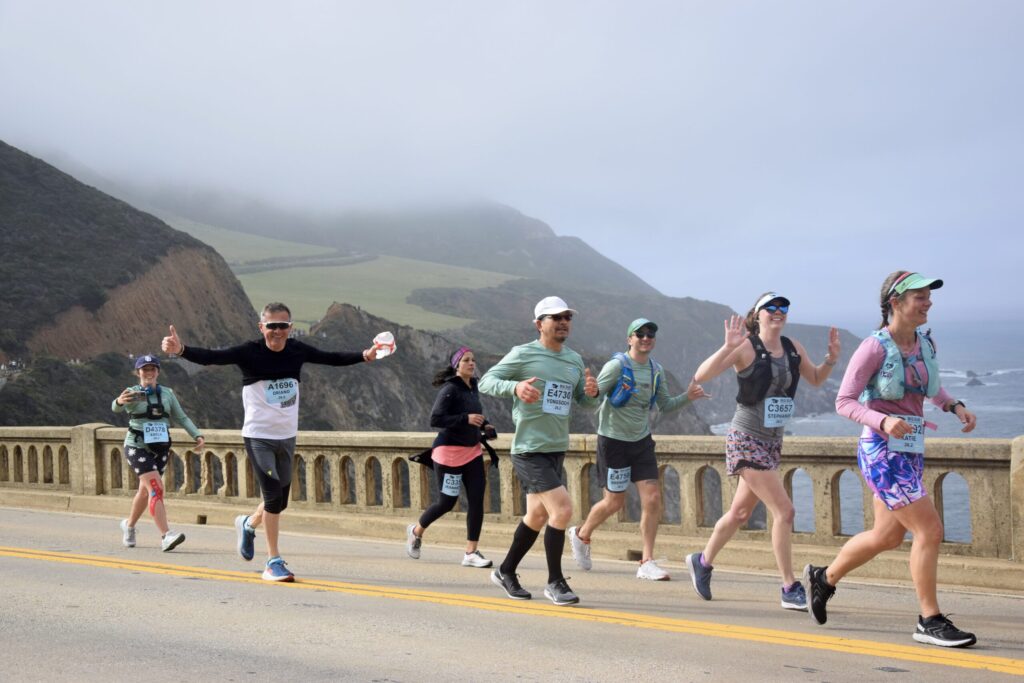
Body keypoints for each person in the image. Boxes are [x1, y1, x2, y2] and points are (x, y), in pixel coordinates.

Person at [805, 271, 978, 647]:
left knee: (886, 536)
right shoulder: (873, 347)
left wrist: (954, 405)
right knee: (929, 530)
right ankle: (929, 619)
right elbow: (844, 402)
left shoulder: (924, 343)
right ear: (895, 303)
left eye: (928, 296)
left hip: (910, 448)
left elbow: (931, 385)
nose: (927, 302)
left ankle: (824, 578)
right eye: (919, 296)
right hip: (881, 452)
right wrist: (883, 419)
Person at [161, 302, 378, 582]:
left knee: (280, 501)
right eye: (272, 326)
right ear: (261, 327)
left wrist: (365, 355)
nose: (277, 331)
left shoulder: (297, 350)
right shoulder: (249, 352)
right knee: (273, 498)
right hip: (259, 437)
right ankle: (273, 561)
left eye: (283, 326)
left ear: (290, 327)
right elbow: (213, 357)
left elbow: (331, 357)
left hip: (286, 438)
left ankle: (248, 524)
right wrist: (180, 350)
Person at [684, 292, 840, 611]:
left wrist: (831, 361)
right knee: (785, 511)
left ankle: (702, 561)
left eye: (783, 307)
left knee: (740, 513)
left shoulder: (794, 348)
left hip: (772, 441)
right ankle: (789, 585)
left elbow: (814, 379)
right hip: (745, 438)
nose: (778, 312)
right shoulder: (745, 346)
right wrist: (727, 347)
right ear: (758, 314)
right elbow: (701, 375)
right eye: (771, 307)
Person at [479, 296, 599, 606]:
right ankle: (555, 582)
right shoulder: (522, 354)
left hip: (556, 448)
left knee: (536, 514)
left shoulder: (573, 360)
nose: (562, 322)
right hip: (529, 449)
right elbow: (487, 381)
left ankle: (505, 571)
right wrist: (515, 388)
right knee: (563, 510)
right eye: (555, 317)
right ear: (539, 324)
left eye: (566, 317)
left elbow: (583, 403)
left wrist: (591, 394)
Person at [568, 318, 707, 580]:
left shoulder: (656, 371)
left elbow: (665, 405)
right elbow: (592, 399)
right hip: (613, 442)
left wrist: (688, 396)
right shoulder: (616, 366)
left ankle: (646, 561)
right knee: (614, 502)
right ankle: (581, 534)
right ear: (629, 339)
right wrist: (591, 391)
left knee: (652, 498)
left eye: (651, 334)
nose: (646, 337)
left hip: (641, 442)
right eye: (639, 334)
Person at [405, 346, 495, 568]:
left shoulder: (473, 386)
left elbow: (474, 413)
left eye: (473, 360)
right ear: (457, 366)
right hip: (449, 456)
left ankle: (470, 552)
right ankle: (416, 531)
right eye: (466, 360)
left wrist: (485, 424)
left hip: (472, 452)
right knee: (447, 502)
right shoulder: (450, 389)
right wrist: (465, 419)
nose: (472, 364)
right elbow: (435, 419)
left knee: (476, 501)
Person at [112, 354, 204, 552]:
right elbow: (116, 408)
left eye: (152, 369)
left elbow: (181, 417)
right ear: (138, 373)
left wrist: (197, 435)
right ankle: (166, 535)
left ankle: (128, 526)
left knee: (145, 492)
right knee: (156, 487)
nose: (149, 373)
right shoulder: (134, 393)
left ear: (158, 372)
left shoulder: (168, 394)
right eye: (145, 369)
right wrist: (119, 401)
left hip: (160, 448)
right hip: (137, 446)